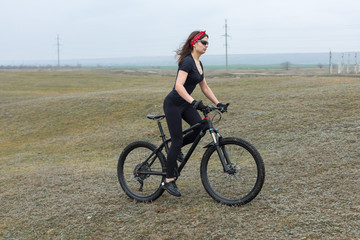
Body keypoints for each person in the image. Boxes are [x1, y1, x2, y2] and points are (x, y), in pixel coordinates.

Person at [162, 30, 228, 197]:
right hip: (173, 105)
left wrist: (218, 103)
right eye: (203, 42)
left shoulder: (199, 64)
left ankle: (174, 151)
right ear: (194, 43)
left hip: (185, 104)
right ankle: (168, 180)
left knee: (199, 129)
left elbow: (204, 87)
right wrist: (193, 101)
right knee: (176, 141)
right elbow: (178, 86)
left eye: (207, 43)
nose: (206, 46)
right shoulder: (187, 62)